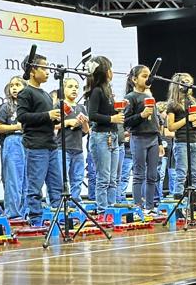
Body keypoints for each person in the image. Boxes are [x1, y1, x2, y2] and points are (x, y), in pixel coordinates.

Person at [16, 52, 62, 225]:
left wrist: (56, 117)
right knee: (35, 187)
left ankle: (58, 217)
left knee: (56, 186)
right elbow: (22, 116)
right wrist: (47, 115)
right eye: (44, 68)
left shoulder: (46, 94)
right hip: (36, 146)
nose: (48, 71)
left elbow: (46, 118)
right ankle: (35, 219)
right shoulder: (26, 92)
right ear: (33, 70)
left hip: (51, 145)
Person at [85, 56, 124, 213]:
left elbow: (105, 111)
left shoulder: (108, 91)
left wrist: (116, 110)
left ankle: (111, 208)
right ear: (105, 72)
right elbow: (92, 115)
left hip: (112, 136)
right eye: (110, 69)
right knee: (104, 177)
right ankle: (102, 210)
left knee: (113, 178)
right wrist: (111, 118)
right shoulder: (96, 91)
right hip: (101, 137)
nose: (112, 72)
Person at [124, 64, 160, 214]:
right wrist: (141, 115)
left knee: (152, 175)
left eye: (149, 76)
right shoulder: (130, 97)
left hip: (153, 138)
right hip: (139, 138)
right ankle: (137, 206)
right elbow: (125, 121)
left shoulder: (150, 96)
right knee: (139, 174)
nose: (148, 79)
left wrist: (160, 141)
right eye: (144, 76)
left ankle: (150, 207)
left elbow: (156, 122)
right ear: (134, 79)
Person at [165, 73, 196, 197]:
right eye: (184, 81)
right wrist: (187, 119)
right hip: (182, 141)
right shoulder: (172, 104)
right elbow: (171, 127)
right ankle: (178, 198)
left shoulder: (193, 102)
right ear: (177, 84)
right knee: (181, 173)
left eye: (189, 81)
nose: (188, 83)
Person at [0, 76, 26, 220]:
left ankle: (26, 211)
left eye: (18, 85)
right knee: (13, 179)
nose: (14, 88)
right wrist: (17, 127)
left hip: (28, 141)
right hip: (13, 141)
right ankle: (13, 213)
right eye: (12, 85)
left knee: (27, 179)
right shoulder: (6, 107)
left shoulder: (29, 107)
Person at [60, 74, 88, 200]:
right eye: (70, 86)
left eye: (76, 87)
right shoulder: (59, 105)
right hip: (62, 148)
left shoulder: (81, 107)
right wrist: (68, 122)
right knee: (61, 179)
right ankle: (58, 204)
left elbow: (86, 131)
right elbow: (52, 126)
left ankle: (75, 203)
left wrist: (84, 122)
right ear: (64, 89)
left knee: (77, 179)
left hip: (78, 149)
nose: (74, 89)